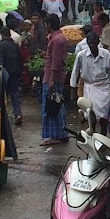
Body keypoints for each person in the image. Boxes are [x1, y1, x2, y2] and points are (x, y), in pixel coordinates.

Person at [72, 27, 110, 135]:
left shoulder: (106, 54)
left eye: (94, 43)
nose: (92, 45)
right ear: (87, 42)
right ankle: (93, 133)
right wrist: (73, 89)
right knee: (90, 112)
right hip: (89, 87)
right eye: (90, 43)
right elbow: (75, 71)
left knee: (104, 114)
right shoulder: (81, 55)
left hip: (103, 88)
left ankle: (103, 134)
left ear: (98, 42)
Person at [41, 13, 70, 146]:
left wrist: (51, 79)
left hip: (53, 77)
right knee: (57, 104)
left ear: (49, 25)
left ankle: (56, 135)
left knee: (52, 106)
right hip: (55, 76)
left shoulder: (56, 40)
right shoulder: (58, 38)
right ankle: (61, 133)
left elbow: (56, 62)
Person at [0, 20, 24, 126]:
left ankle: (4, 117)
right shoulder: (14, 45)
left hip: (5, 72)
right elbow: (20, 59)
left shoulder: (1, 46)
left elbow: (0, 60)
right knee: (15, 94)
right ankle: (18, 114)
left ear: (2, 35)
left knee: (3, 95)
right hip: (16, 72)